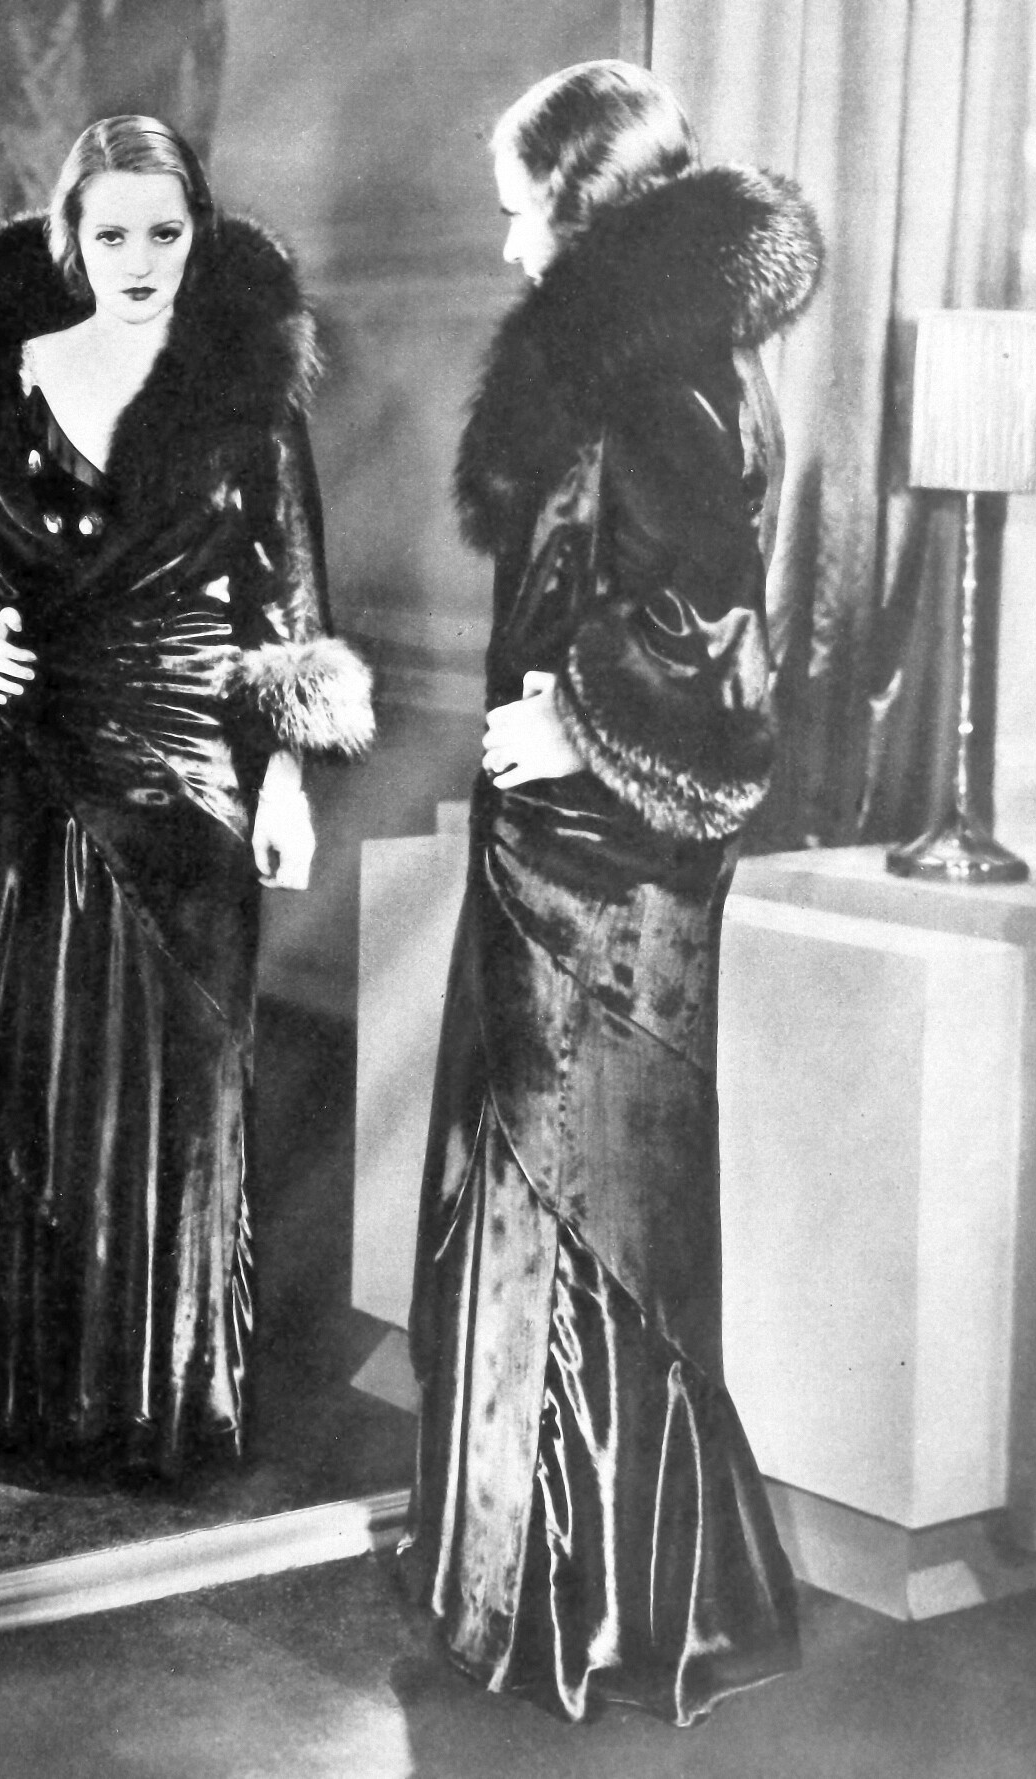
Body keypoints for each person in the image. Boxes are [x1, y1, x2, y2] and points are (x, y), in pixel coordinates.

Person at [402, 62, 822, 1724]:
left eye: (524, 212)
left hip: (608, 867)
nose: (511, 247)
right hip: (572, 856)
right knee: (548, 1201)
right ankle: (542, 1580)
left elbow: (718, 630)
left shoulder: (666, 377)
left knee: (586, 1211)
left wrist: (578, 720)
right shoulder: (652, 358)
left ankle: (598, 1605)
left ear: (586, 204)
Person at [0, 116, 374, 1477]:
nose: (140, 260)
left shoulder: (243, 393)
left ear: (196, 236)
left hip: (195, 767)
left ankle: (166, 1405)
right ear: (69, 241)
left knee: (185, 1087)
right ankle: (38, 1403)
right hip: (40, 768)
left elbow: (292, 598)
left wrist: (286, 777)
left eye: (166, 231)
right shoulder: (0, 384)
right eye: (111, 234)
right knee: (40, 1073)